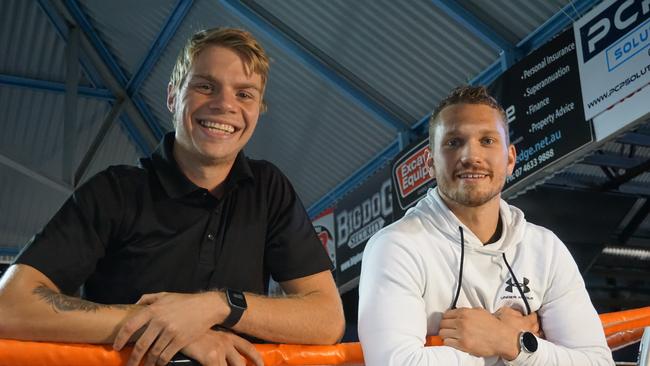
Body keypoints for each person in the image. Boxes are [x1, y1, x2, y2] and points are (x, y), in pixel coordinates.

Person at [0, 27, 344, 366]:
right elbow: (9, 305)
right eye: (205, 86)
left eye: (244, 94)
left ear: (258, 108)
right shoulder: (114, 191)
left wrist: (218, 305)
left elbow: (328, 320)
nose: (225, 104)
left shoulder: (268, 188)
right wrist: (168, 325)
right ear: (172, 96)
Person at [358, 86, 614, 365]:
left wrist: (509, 342)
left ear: (510, 159)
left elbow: (598, 362)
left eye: (488, 140)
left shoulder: (545, 248)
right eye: (454, 142)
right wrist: (508, 344)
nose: (471, 156)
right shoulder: (396, 246)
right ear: (431, 163)